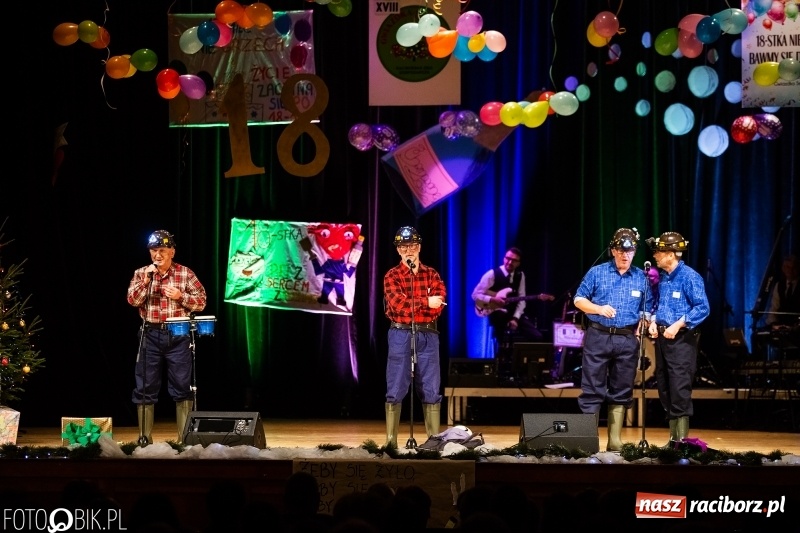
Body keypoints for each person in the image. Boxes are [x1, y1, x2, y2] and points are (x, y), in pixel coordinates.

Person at [573, 228, 652, 451]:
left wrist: (645, 320)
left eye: (630, 251)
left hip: (627, 339)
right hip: (598, 335)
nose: (625, 255)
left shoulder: (641, 277)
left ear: (635, 252)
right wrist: (598, 308)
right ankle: (588, 439)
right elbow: (578, 299)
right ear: (613, 251)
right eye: (621, 251)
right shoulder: (597, 272)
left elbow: (647, 307)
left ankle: (614, 440)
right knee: (592, 388)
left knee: (622, 387)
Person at [126, 230, 207, 444]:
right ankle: (144, 439)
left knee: (182, 385)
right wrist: (146, 281)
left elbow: (201, 302)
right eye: (154, 250)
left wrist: (181, 297)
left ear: (172, 252)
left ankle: (183, 440)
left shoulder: (185, 273)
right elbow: (133, 300)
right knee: (145, 386)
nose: (157, 255)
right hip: (150, 333)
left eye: (162, 250)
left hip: (178, 333)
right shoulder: (142, 273)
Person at [383, 226, 446, 447]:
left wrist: (422, 304)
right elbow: (397, 305)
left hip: (428, 334)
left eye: (411, 245)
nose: (407, 250)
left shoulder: (432, 274)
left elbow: (438, 306)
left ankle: (433, 441)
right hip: (400, 333)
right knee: (396, 385)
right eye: (403, 246)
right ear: (398, 250)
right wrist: (425, 301)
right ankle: (391, 442)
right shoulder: (392, 276)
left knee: (431, 387)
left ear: (418, 247)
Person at [645, 231, 710, 445]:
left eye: (659, 252)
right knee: (664, 386)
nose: (655, 255)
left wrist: (678, 324)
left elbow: (702, 307)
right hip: (663, 339)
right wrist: (654, 321)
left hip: (681, 339)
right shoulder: (664, 278)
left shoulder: (690, 277)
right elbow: (660, 305)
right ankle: (673, 439)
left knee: (679, 388)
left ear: (671, 254)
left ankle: (681, 442)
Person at [471, 247, 553, 346]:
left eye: (514, 260)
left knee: (537, 336)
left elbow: (522, 299)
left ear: (518, 263)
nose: (510, 262)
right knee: (501, 330)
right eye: (508, 258)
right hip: (496, 312)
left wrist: (515, 318)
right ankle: (500, 351)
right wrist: (493, 299)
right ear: (504, 258)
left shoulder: (520, 275)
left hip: (512, 313)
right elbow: (475, 295)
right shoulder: (492, 274)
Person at [766, 254, 799, 329]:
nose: (790, 270)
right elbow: (774, 309)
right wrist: (773, 324)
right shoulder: (779, 285)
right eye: (788, 267)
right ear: (783, 268)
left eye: (794, 268)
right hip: (781, 327)